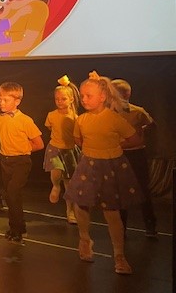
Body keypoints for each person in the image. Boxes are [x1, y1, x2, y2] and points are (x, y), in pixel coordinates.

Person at [64, 72, 144, 274]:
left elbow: (135, 139)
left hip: (110, 166)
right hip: (88, 165)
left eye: (89, 96)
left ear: (102, 97)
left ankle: (119, 255)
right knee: (81, 204)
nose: (84, 99)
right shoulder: (81, 119)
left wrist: (114, 146)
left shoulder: (114, 119)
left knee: (112, 211)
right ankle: (84, 240)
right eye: (82, 96)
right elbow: (78, 140)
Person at [0, 81, 44, 243]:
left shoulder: (25, 120)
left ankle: (18, 229)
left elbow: (39, 144)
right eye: (0, 99)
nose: (1, 103)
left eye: (6, 100)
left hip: (20, 161)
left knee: (12, 192)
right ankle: (16, 227)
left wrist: (23, 149)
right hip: (5, 160)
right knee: (10, 196)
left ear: (17, 101)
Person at [112, 78, 157, 237]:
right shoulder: (109, 112)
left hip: (136, 154)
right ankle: (121, 228)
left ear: (126, 94)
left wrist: (140, 132)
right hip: (118, 154)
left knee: (143, 190)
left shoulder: (138, 111)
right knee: (120, 191)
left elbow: (151, 125)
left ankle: (150, 225)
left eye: (114, 93)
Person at [44, 75, 81, 224]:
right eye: (57, 99)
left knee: (69, 182)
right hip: (55, 148)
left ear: (71, 99)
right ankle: (55, 186)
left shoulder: (75, 117)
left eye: (63, 99)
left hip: (69, 150)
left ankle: (69, 211)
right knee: (56, 169)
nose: (59, 101)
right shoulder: (51, 115)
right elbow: (49, 127)